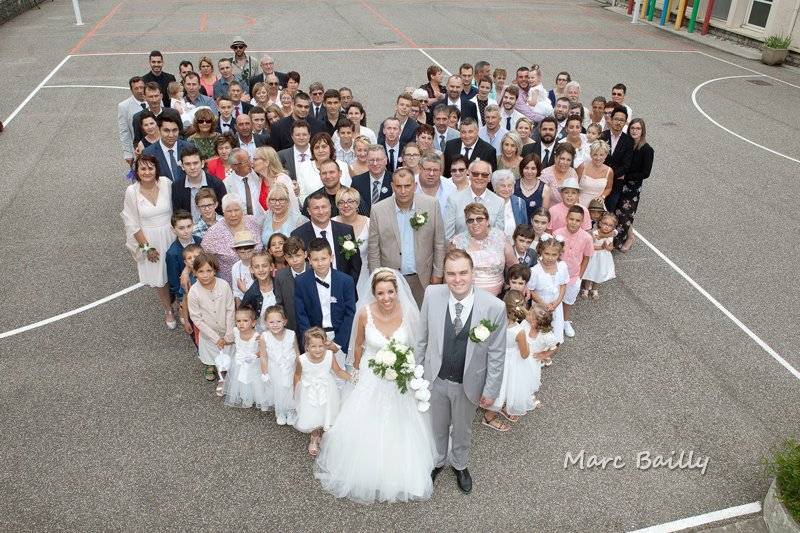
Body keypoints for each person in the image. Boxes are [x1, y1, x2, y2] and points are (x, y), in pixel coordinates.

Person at [315, 268, 436, 503]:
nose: (386, 297)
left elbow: (418, 345)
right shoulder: (364, 314)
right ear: (373, 294)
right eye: (380, 293)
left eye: (390, 292)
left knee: (404, 421)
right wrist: (356, 372)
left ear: (397, 291)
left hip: (401, 375)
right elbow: (358, 346)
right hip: (372, 374)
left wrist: (409, 368)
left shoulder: (410, 313)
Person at [417, 249, 507, 494]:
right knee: (437, 424)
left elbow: (497, 354)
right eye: (451, 274)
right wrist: (418, 375)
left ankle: (460, 464)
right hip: (435, 378)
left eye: (463, 273)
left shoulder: (494, 307)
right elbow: (422, 338)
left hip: (469, 383)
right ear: (444, 275)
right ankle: (437, 460)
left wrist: (491, 390)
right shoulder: (432, 295)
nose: (457, 279)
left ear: (473, 273)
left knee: (463, 427)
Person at [368, 169, 446, 306]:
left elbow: (439, 243)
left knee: (422, 322)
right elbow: (373, 249)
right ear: (392, 186)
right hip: (391, 281)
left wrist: (438, 274)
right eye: (398, 186)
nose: (403, 191)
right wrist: (377, 279)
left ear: (415, 186)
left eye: (407, 186)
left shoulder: (431, 205)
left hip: (423, 278)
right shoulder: (378, 210)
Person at [121, 155, 176, 328]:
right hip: (150, 239)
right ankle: (168, 310)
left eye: (150, 168)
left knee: (177, 271)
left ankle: (182, 305)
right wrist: (146, 247)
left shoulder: (166, 183)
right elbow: (131, 222)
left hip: (172, 234)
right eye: (143, 169)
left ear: (156, 169)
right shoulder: (132, 191)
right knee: (159, 277)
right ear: (136, 171)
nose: (147, 172)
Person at [293, 327, 351, 456]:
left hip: (327, 389)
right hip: (309, 391)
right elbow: (297, 375)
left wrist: (353, 379)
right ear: (307, 346)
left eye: (321, 346)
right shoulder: (301, 359)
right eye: (313, 346)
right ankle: (314, 437)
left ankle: (326, 435)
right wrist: (296, 392)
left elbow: (338, 371)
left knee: (326, 411)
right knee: (313, 413)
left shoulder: (330, 355)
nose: (318, 349)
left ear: (325, 344)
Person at [294, 238, 357, 352]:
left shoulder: (346, 281)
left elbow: (350, 313)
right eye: (315, 259)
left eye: (324, 258)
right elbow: (301, 315)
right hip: (314, 340)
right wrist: (312, 341)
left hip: (341, 339)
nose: (320, 263)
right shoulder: (301, 282)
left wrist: (338, 343)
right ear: (309, 260)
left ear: (331, 257)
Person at [486, 291, 536, 424]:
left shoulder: (494, 321)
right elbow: (525, 354)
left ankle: (498, 406)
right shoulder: (519, 331)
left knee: (496, 385)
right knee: (505, 386)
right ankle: (489, 417)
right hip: (511, 363)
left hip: (495, 357)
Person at [291, 192, 362, 283]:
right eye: (316, 208)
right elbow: (298, 265)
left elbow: (355, 263)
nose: (321, 212)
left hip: (344, 288)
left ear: (330, 207)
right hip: (312, 290)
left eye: (324, 207)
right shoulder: (298, 235)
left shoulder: (345, 231)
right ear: (309, 211)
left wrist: (347, 285)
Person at [187, 253, 235, 382]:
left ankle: (225, 366)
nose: (205, 275)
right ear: (194, 272)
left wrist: (230, 331)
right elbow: (196, 318)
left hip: (226, 329)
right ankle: (210, 365)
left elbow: (230, 309)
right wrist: (215, 337)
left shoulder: (224, 285)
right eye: (201, 271)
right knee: (210, 353)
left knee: (228, 353)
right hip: (208, 332)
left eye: (209, 270)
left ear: (215, 271)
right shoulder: (193, 292)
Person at [451, 203, 515, 296]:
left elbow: (513, 265)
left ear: (488, 221)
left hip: (498, 296)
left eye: (479, 219)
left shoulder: (500, 237)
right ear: (466, 223)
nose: (475, 223)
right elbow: (451, 271)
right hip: (467, 295)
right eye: (470, 220)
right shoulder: (458, 241)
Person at [201, 193, 263, 284]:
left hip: (259, 279)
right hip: (230, 285)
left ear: (242, 210)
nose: (233, 214)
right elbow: (201, 256)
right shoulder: (214, 232)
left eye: (236, 210)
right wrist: (187, 271)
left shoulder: (253, 222)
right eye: (229, 211)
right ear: (223, 211)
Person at [553, 207, 594, 339]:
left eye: (578, 220)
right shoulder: (557, 233)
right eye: (571, 219)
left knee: (568, 301)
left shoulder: (587, 238)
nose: (574, 222)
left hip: (573, 276)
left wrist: (580, 277)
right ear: (566, 218)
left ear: (582, 222)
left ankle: (565, 322)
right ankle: (551, 323)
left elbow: (587, 257)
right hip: (556, 276)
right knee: (554, 299)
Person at [222, 305, 272, 410]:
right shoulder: (236, 331)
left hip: (253, 364)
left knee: (256, 383)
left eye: (245, 320)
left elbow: (263, 351)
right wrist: (224, 342)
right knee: (242, 382)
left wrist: (254, 355)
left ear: (253, 323)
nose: (241, 323)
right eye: (238, 321)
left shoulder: (257, 336)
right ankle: (247, 398)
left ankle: (261, 400)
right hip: (239, 363)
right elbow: (233, 341)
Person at [614, 118, 653, 252]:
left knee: (625, 214)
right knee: (616, 211)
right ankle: (624, 236)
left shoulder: (647, 149)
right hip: (619, 182)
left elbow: (645, 173)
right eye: (632, 128)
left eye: (638, 129)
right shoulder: (626, 144)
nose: (635, 131)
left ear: (642, 131)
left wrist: (627, 176)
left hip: (632, 187)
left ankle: (624, 240)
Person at [444, 159, 504, 240]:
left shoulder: (499, 202)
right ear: (470, 175)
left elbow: (498, 236)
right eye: (475, 174)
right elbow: (448, 235)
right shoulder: (454, 200)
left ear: (489, 177)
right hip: (460, 250)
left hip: (489, 251)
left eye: (484, 175)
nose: (479, 178)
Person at [261, 305, 299, 425]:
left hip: (290, 368)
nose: (275, 324)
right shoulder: (264, 337)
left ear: (285, 322)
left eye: (278, 321)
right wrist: (264, 372)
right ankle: (280, 411)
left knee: (291, 390)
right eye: (271, 322)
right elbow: (263, 356)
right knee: (279, 391)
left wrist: (300, 370)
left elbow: (297, 353)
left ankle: (292, 410)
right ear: (266, 323)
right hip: (274, 369)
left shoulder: (291, 334)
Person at [527, 235, 568, 346]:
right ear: (541, 252)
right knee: (540, 329)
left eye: (554, 255)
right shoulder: (535, 271)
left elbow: (563, 285)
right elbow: (531, 290)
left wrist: (557, 303)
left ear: (559, 254)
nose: (550, 258)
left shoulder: (562, 266)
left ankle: (552, 346)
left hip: (555, 304)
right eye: (547, 254)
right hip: (540, 304)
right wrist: (544, 305)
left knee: (555, 326)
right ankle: (540, 348)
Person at [332, 187, 370, 296]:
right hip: (340, 276)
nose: (346, 205)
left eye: (350, 201)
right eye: (341, 202)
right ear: (337, 205)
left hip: (365, 275)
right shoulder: (331, 223)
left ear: (357, 204)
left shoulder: (369, 223)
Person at [296, 132, 351, 204]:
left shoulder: (343, 166)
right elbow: (302, 195)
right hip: (314, 210)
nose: (320, 150)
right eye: (317, 147)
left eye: (324, 146)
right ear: (312, 151)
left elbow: (347, 191)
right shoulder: (304, 167)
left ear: (331, 148)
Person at [600, 105, 634, 213]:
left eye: (622, 120)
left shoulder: (629, 141)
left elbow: (626, 165)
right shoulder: (602, 136)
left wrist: (610, 175)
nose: (618, 122)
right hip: (598, 179)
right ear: (611, 119)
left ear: (625, 123)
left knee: (608, 210)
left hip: (615, 183)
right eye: (616, 119)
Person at [273, 236, 308, 337]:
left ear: (305, 254)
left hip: (315, 325)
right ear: (285, 258)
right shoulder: (280, 276)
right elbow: (280, 303)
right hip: (292, 327)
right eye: (290, 257)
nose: (295, 260)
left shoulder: (314, 271)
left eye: (298, 255)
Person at [165, 210, 202, 306]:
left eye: (189, 226)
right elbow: (174, 280)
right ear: (173, 230)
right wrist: (181, 298)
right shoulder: (172, 253)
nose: (186, 231)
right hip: (188, 292)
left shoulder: (200, 241)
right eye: (181, 228)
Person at [142, 115, 193, 182]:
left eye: (174, 130)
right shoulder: (148, 153)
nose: (171, 135)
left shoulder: (189, 148)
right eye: (166, 130)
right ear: (158, 130)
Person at [225, 148, 267, 222]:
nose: (250, 163)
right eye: (246, 162)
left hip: (264, 221)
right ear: (235, 167)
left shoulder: (259, 174)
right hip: (242, 225)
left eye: (249, 159)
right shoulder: (226, 184)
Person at [252, 146, 299, 212]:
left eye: (255, 159)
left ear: (266, 162)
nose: (252, 162)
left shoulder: (282, 179)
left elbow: (293, 207)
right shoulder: (260, 180)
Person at [582, 212, 617, 300]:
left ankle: (595, 289)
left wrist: (608, 247)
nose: (606, 227)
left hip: (603, 258)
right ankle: (586, 289)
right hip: (594, 256)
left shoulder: (611, 236)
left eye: (610, 225)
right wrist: (601, 247)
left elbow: (611, 246)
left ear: (613, 227)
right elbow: (591, 246)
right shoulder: (595, 233)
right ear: (600, 223)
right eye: (605, 224)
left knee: (599, 273)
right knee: (590, 272)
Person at [350, 144, 393, 216]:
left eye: (378, 160)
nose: (375, 163)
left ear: (386, 160)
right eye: (371, 160)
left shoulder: (394, 180)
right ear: (367, 161)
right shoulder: (357, 182)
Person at [240, 249, 277, 329]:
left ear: (271, 267)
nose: (261, 270)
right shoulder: (251, 293)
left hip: (279, 331)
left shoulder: (279, 286)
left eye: (264, 266)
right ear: (252, 270)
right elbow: (242, 313)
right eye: (256, 267)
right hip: (260, 333)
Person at [416, 153, 456, 221]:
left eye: (435, 170)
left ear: (440, 171)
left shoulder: (451, 188)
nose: (431, 174)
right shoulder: (408, 185)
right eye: (428, 169)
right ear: (420, 168)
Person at [540, 143, 579, 209]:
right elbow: (541, 199)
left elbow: (576, 198)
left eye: (568, 160)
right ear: (555, 158)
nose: (565, 162)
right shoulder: (545, 173)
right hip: (549, 213)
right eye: (562, 158)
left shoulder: (573, 173)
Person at [118, 76, 146, 166]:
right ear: (131, 90)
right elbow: (124, 131)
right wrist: (128, 154)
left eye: (141, 87)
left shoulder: (154, 100)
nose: (139, 91)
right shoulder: (124, 106)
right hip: (137, 149)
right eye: (136, 88)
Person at [492, 169, 528, 239]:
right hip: (493, 245)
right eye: (503, 186)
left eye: (509, 185)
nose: (507, 189)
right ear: (494, 187)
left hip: (514, 246)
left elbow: (524, 228)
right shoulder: (487, 202)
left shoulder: (520, 203)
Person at [524, 303, 557, 379]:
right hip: (521, 355)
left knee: (528, 377)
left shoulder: (547, 336)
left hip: (532, 361)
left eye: (529, 314)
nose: (527, 314)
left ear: (534, 322)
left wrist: (545, 354)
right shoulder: (525, 323)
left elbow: (556, 346)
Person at [578, 139, 613, 208]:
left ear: (606, 155)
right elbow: (574, 185)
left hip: (597, 206)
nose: (598, 158)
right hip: (580, 203)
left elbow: (608, 188)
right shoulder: (582, 166)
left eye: (601, 155)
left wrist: (602, 197)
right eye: (595, 154)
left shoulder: (609, 171)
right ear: (591, 154)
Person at [515, 153, 545, 221]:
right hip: (516, 228)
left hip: (535, 229)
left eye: (533, 168)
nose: (529, 172)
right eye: (526, 168)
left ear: (538, 170)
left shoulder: (545, 189)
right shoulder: (513, 185)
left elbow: (544, 217)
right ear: (522, 169)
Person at [230, 231, 258, 305]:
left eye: (249, 251)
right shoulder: (235, 267)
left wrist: (245, 291)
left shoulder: (259, 264)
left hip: (258, 302)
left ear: (254, 249)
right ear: (236, 251)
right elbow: (236, 293)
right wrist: (239, 310)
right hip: (243, 303)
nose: (246, 255)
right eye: (242, 252)